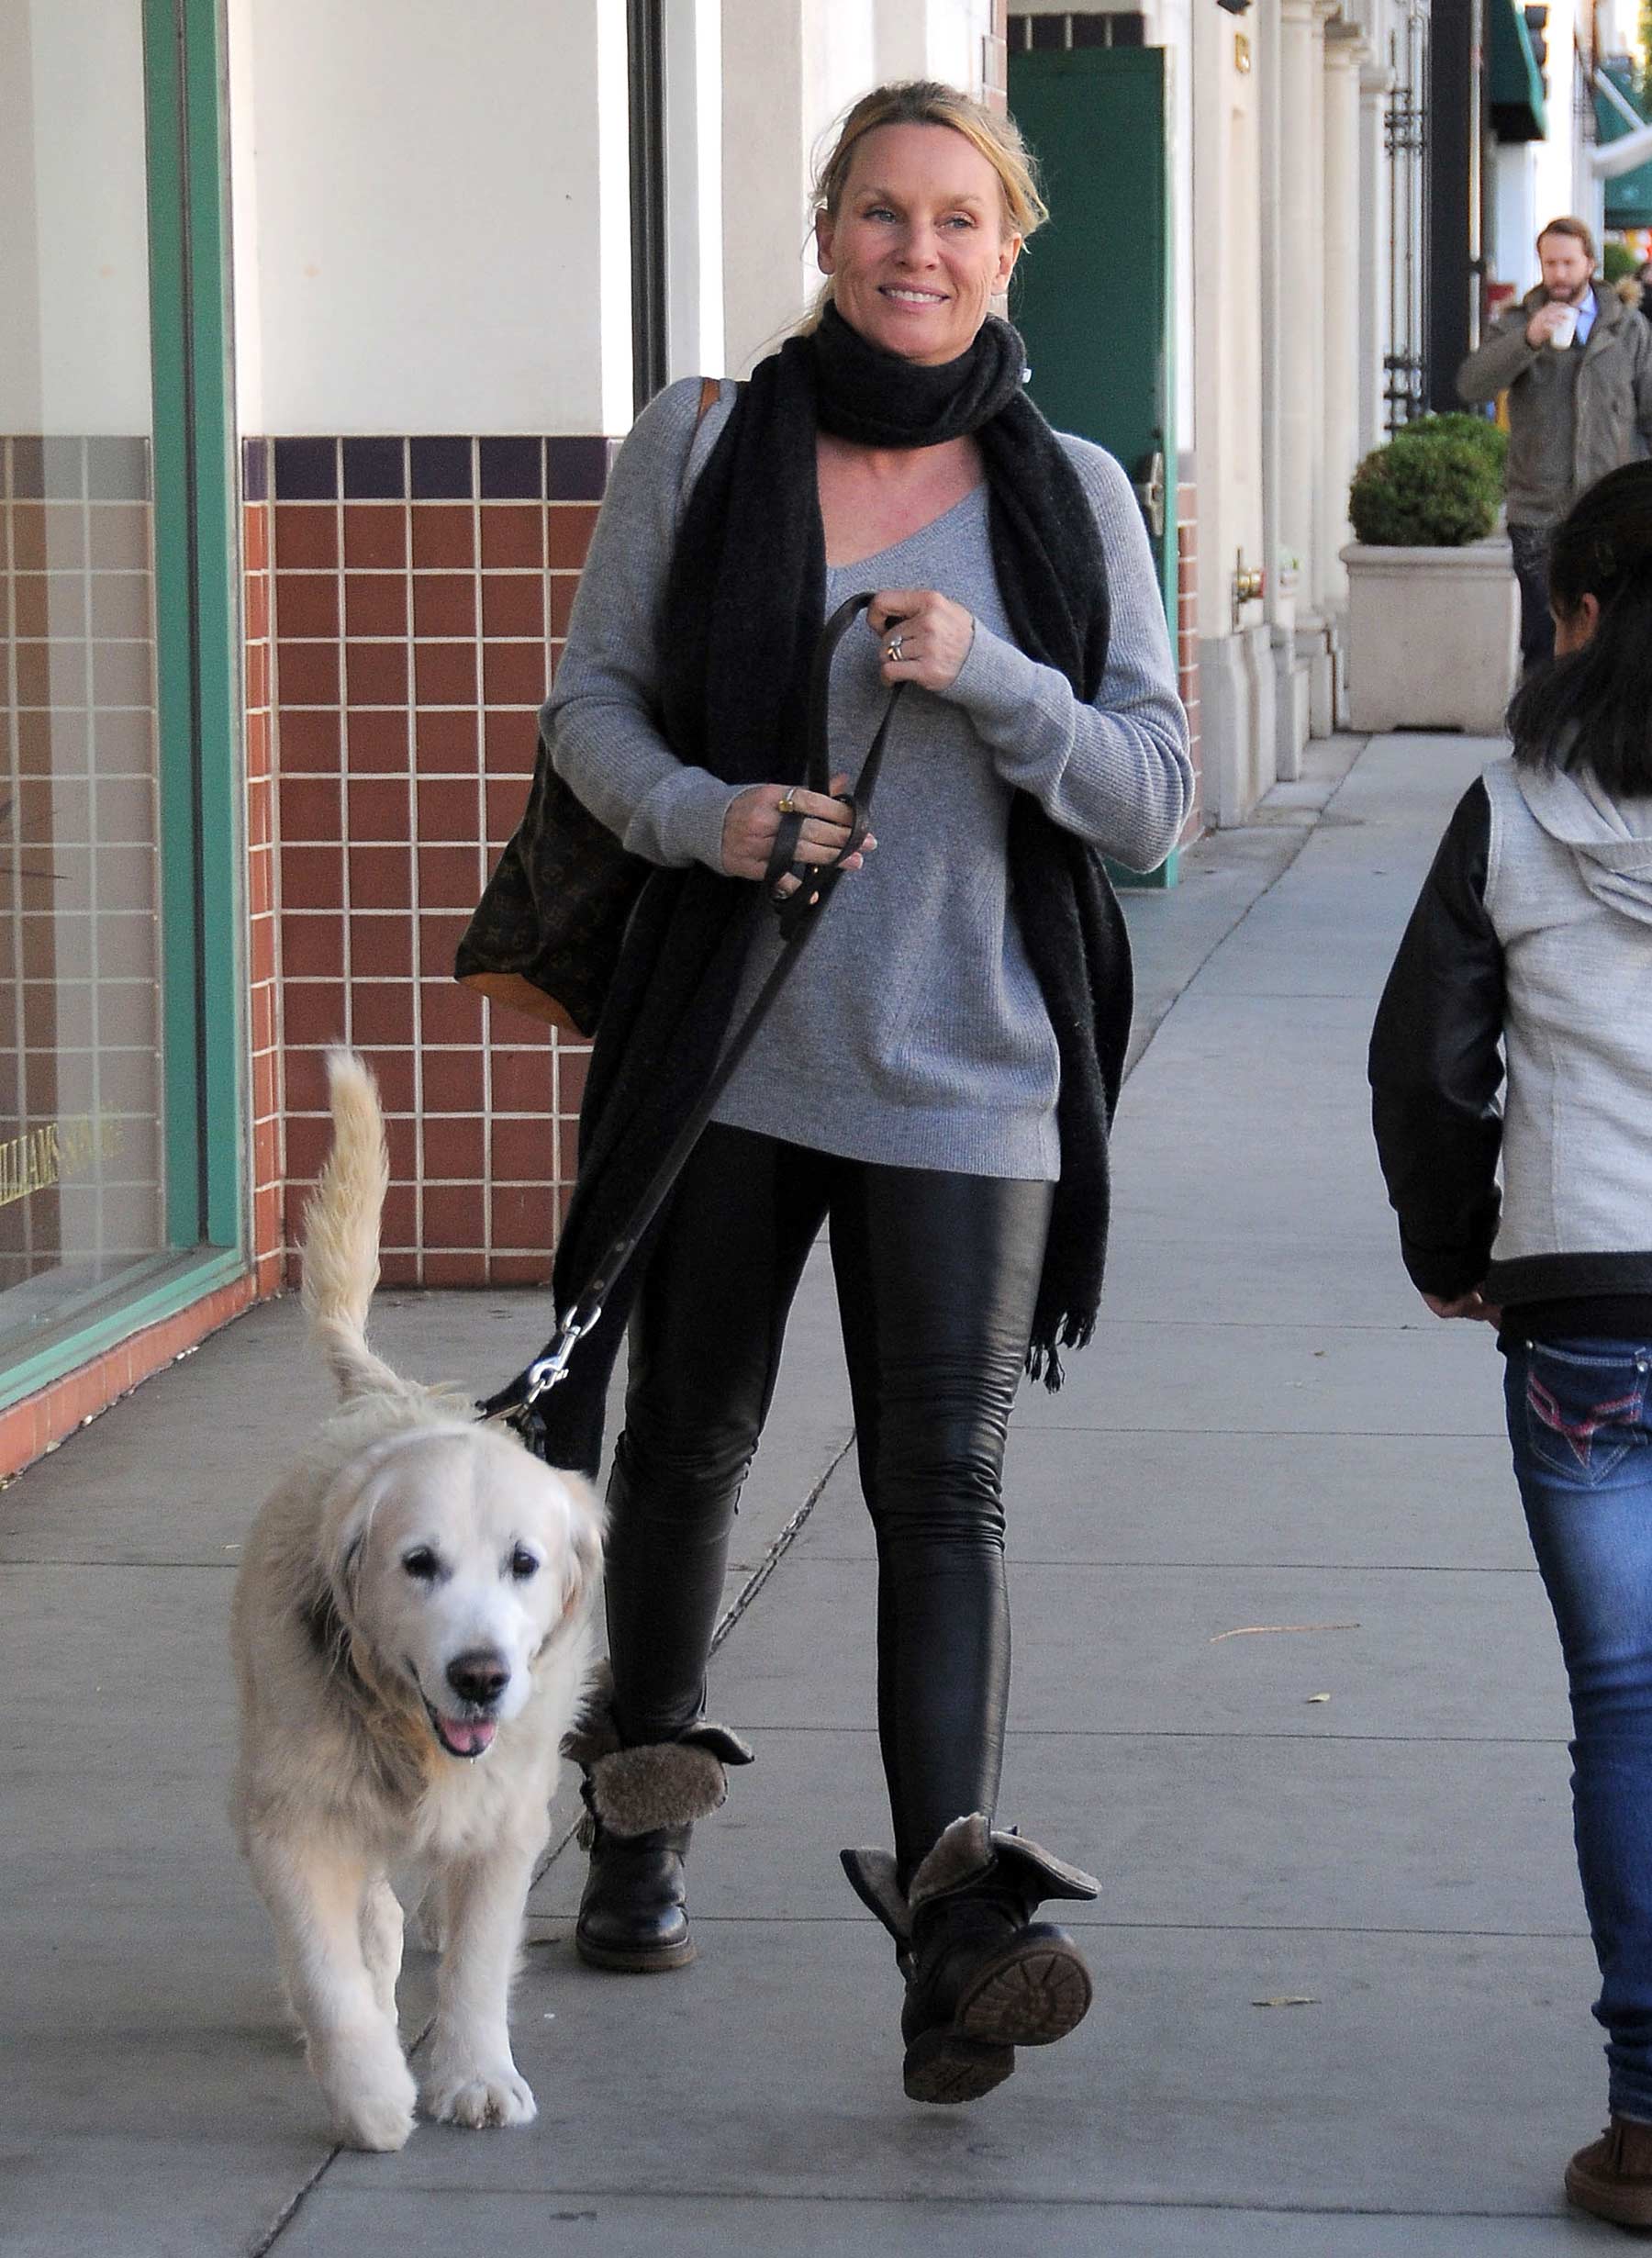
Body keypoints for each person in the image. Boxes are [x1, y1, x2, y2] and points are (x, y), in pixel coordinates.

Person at [532, 79, 1191, 2104]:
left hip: (974, 1070)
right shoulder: (707, 442)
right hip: (732, 1056)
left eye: (961, 219)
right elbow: (592, 712)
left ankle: (952, 1931)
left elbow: (1154, 799)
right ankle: (639, 1797)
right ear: (828, 231)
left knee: (946, 1493)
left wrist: (992, 677)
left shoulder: (1073, 491)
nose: (920, 250)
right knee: (688, 1445)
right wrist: (710, 818)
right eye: (884, 213)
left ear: (1015, 248)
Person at [1368, 460, 1652, 2229]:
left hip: (1588, 1313)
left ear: (1587, 621)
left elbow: (1426, 1065)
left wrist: (1457, 1249)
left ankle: (1647, 2125)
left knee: (1628, 1711)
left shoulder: (1510, 808)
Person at [1457, 218, 1652, 675]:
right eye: (1550, 264)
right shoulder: (1518, 325)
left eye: (1568, 263)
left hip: (1612, 513)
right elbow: (1472, 386)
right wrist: (1528, 341)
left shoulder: (1628, 330)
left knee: (1614, 639)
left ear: (1590, 263)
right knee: (1544, 641)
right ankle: (1540, 742)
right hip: (1538, 510)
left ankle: (1600, 742)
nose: (1559, 275)